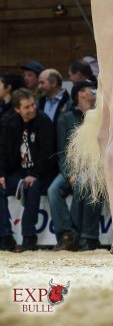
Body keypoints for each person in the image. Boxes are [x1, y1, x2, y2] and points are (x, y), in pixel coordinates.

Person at [48, 81, 103, 251]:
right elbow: (62, 152)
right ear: (81, 93)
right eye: (92, 90)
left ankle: (84, 236)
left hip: (95, 167)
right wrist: (69, 173)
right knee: (53, 190)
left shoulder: (101, 115)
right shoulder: (65, 119)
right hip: (71, 167)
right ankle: (66, 235)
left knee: (84, 182)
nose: (96, 92)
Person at [0, 89, 58, 252]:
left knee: (32, 187)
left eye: (33, 104)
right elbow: (2, 150)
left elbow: (48, 154)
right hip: (20, 170)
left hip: (42, 172)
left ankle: (29, 236)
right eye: (27, 107)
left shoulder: (44, 122)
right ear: (17, 109)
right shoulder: (9, 122)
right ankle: (5, 236)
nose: (32, 109)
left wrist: (35, 174)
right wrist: (1, 174)